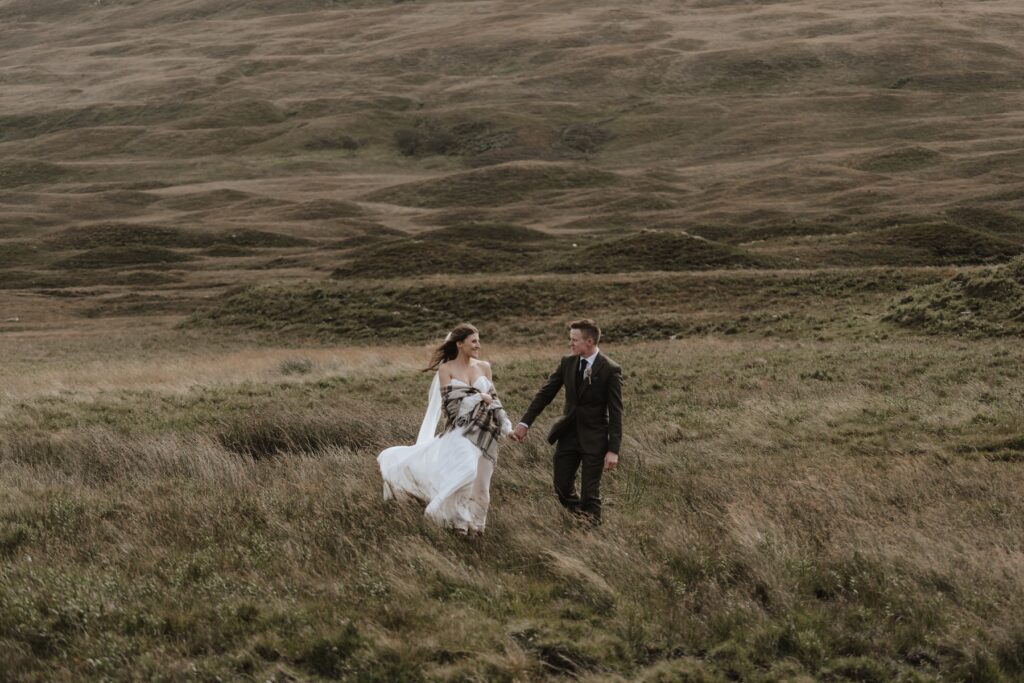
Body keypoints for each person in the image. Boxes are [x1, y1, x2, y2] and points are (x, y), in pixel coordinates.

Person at [378, 323, 513, 534]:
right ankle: (455, 522)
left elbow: (494, 401)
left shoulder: (484, 367)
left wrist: (507, 427)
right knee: (466, 472)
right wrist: (478, 397)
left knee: (482, 484)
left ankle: (476, 528)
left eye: (478, 340)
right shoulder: (446, 369)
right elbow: (451, 407)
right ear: (460, 344)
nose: (478, 345)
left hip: (485, 432)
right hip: (459, 432)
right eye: (474, 341)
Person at [512, 319, 623, 525]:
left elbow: (616, 413)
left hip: (595, 439)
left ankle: (591, 533)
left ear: (589, 342)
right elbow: (545, 394)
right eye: (570, 339)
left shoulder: (610, 369)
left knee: (591, 494)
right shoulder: (567, 363)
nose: (570, 344)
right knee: (561, 489)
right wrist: (524, 424)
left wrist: (613, 450)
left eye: (574, 340)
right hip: (568, 436)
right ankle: (583, 517)